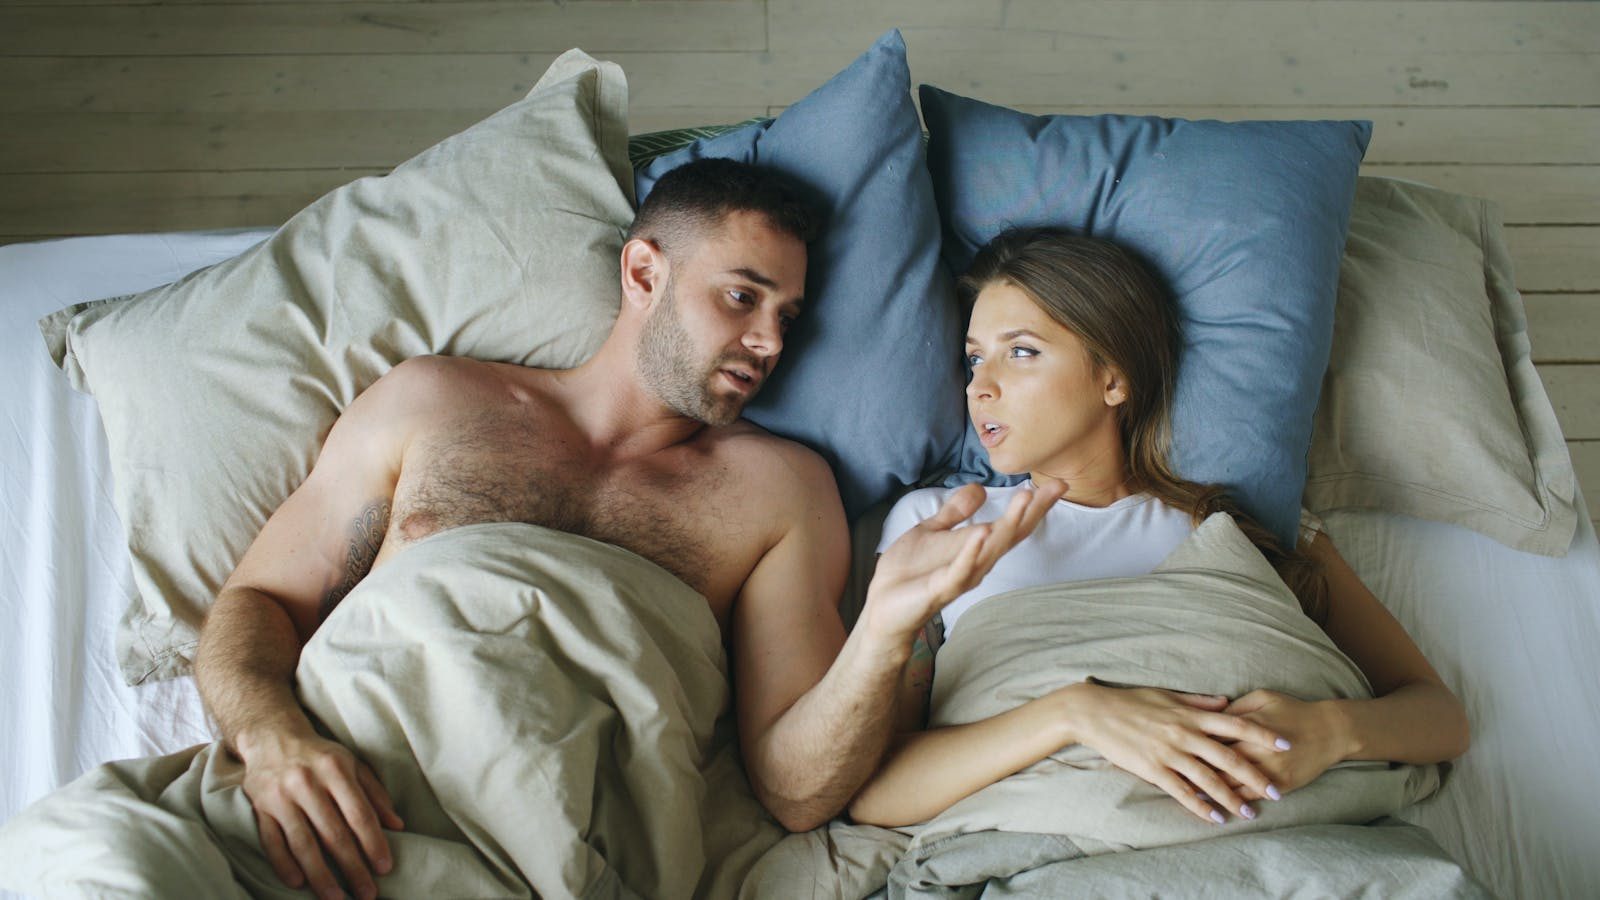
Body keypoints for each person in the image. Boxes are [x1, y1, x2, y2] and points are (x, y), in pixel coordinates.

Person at [193, 158, 1059, 900]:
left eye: (787, 317)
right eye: (742, 297)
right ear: (644, 273)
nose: (768, 342)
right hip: (322, 803)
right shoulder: (432, 400)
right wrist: (274, 741)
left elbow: (794, 791)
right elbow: (258, 601)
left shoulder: (781, 490)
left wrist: (885, 630)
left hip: (555, 836)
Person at [847, 227, 1471, 830]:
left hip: (1280, 841)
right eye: (975, 358)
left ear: (1113, 378)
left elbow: (1440, 717)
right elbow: (877, 793)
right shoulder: (939, 527)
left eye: (1022, 352)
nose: (980, 387)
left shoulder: (1235, 530)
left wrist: (1330, 731)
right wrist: (1073, 713)